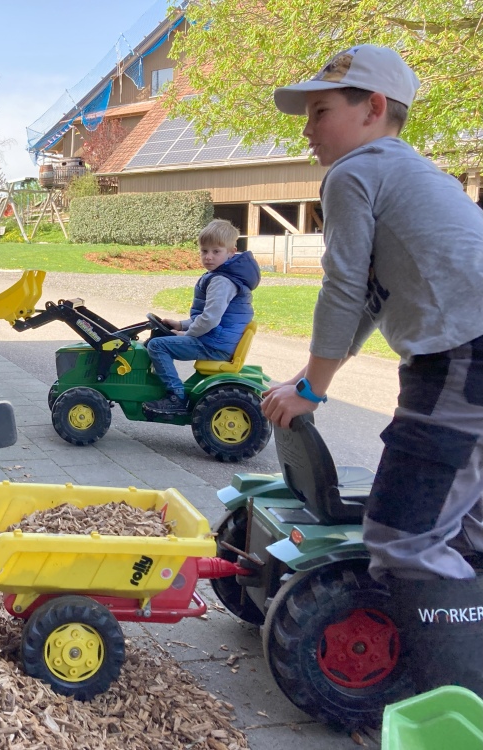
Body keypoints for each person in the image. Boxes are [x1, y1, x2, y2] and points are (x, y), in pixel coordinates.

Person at [262, 44, 483, 696]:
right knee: (465, 527)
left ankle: (455, 711)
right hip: (466, 351)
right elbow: (365, 297)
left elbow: (340, 289)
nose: (307, 129)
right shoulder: (410, 172)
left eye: (320, 111)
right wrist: (309, 378)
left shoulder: (354, 172)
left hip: (462, 356)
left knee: (403, 536)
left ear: (374, 108)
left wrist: (312, 389)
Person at [142, 218, 260, 414]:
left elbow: (210, 319)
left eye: (216, 251)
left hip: (214, 346)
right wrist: (181, 324)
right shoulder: (225, 275)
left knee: (156, 345)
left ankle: (175, 396)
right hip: (219, 341)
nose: (208, 257)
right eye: (204, 251)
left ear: (231, 252)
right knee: (161, 339)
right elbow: (209, 316)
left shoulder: (221, 281)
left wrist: (187, 334)